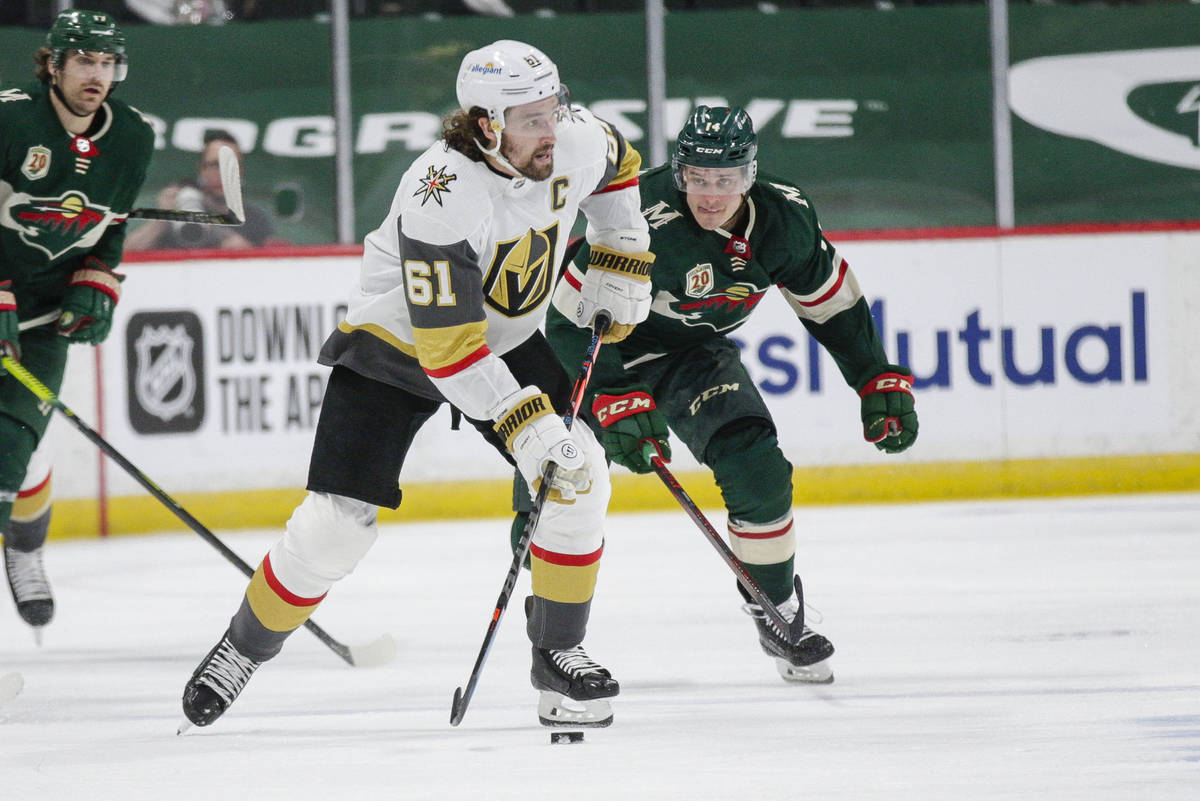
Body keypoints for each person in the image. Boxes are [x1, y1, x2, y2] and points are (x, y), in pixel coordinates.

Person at [180, 40, 654, 730]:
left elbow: (620, 162)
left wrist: (621, 246)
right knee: (334, 530)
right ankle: (242, 647)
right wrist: (528, 425)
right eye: (530, 118)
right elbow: (449, 351)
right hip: (399, 346)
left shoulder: (572, 140)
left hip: (507, 337)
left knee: (581, 478)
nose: (551, 129)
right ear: (487, 124)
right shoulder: (441, 193)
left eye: (554, 108)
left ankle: (558, 654)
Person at [512, 105, 919, 684]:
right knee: (561, 491)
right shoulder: (638, 214)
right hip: (591, 354)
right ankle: (551, 633)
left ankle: (776, 612)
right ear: (679, 174)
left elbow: (830, 303)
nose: (709, 193)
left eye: (724, 179)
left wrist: (874, 375)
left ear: (749, 175)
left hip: (689, 354)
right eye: (697, 178)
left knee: (757, 465)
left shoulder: (785, 219)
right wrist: (614, 394)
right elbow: (569, 323)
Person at [0, 10, 154, 642]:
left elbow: (110, 226)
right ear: (53, 64)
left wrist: (99, 279)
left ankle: (24, 548)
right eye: (84, 60)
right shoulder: (10, 118)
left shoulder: (133, 137)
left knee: (16, 443)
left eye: (106, 62)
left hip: (41, 317)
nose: (97, 74)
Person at [125, 129, 276, 251]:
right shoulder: (180, 211)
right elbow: (128, 255)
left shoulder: (254, 218)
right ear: (202, 169)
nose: (223, 173)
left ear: (240, 172)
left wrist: (225, 237)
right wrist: (161, 220)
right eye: (215, 165)